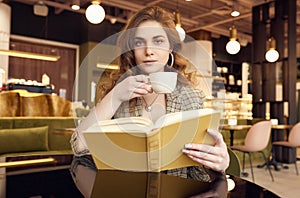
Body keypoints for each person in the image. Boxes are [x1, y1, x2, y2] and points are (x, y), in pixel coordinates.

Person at [70, 6, 229, 197]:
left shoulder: (190, 96)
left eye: (158, 41)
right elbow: (79, 147)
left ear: (170, 48)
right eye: (139, 42)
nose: (149, 51)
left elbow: (201, 162)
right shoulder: (117, 93)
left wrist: (221, 162)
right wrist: (116, 95)